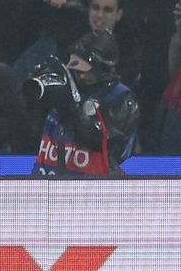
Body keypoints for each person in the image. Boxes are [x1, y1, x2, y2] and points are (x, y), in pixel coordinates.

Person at [29, 30, 140, 176]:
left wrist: (71, 106)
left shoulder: (122, 99)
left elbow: (102, 144)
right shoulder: (64, 87)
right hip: (47, 185)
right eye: (77, 70)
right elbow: (32, 134)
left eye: (87, 70)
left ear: (104, 68)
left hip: (95, 190)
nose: (81, 75)